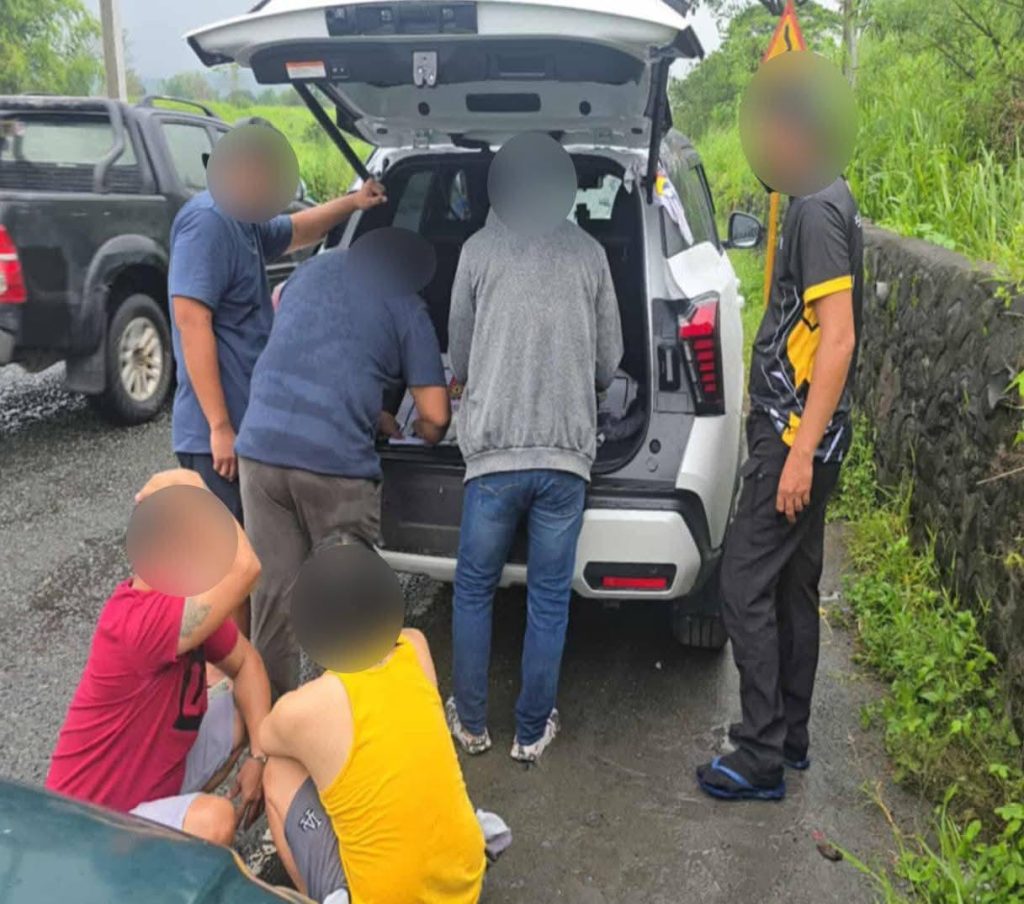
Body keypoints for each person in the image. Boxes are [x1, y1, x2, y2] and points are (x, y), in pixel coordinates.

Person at [697, 91, 863, 800]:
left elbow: (839, 338)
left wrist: (797, 453)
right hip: (811, 435)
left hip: (796, 435)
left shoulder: (815, 206)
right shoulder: (824, 193)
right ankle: (790, 737)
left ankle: (760, 753)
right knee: (793, 585)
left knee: (742, 583)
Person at [445, 133, 624, 763]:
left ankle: (471, 726)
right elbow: (609, 362)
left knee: (473, 589)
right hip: (565, 458)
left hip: (493, 457)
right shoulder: (590, 254)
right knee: (549, 598)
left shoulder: (476, 250)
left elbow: (459, 359)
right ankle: (530, 733)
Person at [235, 227, 450, 697]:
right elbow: (434, 415)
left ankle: (274, 730)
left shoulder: (310, 271)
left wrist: (372, 412)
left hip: (260, 449)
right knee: (349, 605)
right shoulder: (405, 300)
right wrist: (420, 429)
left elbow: (315, 354)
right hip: (333, 466)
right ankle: (351, 722)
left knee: (273, 602)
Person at [168, 118, 386, 526]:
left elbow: (296, 230)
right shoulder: (209, 221)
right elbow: (191, 321)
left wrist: (354, 202)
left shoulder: (244, 219)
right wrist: (219, 427)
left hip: (250, 427)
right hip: (215, 436)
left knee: (255, 554)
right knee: (226, 556)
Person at [46, 468, 272, 844]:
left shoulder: (179, 602)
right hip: (89, 826)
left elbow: (249, 665)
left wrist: (259, 758)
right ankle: (151, 857)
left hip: (148, 785)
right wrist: (199, 492)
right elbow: (246, 568)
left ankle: (166, 822)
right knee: (214, 820)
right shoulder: (137, 623)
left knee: (239, 715)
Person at [259, 540, 487, 904]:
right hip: (464, 881)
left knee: (278, 770)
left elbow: (265, 739)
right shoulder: (415, 646)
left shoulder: (302, 709)